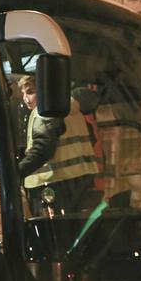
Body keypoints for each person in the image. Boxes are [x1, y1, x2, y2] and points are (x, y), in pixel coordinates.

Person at [17, 75, 98, 216]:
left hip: (53, 185)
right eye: (23, 93)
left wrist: (15, 174)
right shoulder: (72, 109)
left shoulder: (44, 111)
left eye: (30, 92)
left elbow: (42, 150)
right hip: (82, 180)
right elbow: (92, 139)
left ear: (44, 90)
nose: (25, 99)